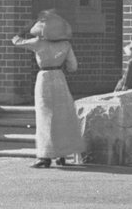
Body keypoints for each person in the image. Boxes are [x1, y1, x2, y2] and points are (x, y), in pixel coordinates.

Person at [12, 10, 82, 168]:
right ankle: (62, 154)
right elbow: (73, 67)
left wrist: (24, 29)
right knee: (62, 116)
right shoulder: (66, 44)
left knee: (45, 117)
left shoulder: (37, 43)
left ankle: (45, 155)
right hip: (59, 78)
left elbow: (16, 41)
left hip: (44, 78)